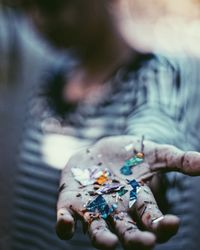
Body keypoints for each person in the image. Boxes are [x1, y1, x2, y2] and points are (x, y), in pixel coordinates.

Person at [2, 0, 200, 250]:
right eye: (26, 8)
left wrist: (137, 162)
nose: (39, 19)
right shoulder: (51, 79)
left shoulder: (161, 76)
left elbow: (155, 130)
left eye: (52, 5)